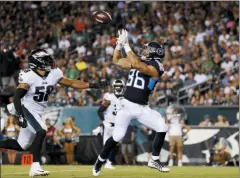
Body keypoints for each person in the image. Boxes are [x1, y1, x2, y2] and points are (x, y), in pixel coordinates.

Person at [2, 49, 108, 177]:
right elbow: (17, 96)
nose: (49, 62)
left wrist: (94, 85)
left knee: (21, 145)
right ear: (37, 63)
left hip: (38, 112)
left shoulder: (54, 73)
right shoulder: (29, 76)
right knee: (41, 131)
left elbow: (72, 83)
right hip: (26, 108)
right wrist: (20, 115)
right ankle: (35, 167)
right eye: (45, 60)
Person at [93, 30, 169, 177]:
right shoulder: (140, 61)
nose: (144, 51)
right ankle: (99, 161)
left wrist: (126, 45)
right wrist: (118, 45)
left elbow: (137, 64)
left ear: (154, 53)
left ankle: (154, 160)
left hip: (142, 108)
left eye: (147, 49)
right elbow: (116, 60)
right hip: (126, 106)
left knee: (162, 127)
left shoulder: (157, 66)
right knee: (117, 136)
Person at [97, 79, 125, 169]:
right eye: (117, 87)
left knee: (116, 144)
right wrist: (103, 122)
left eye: (120, 87)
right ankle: (102, 162)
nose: (118, 88)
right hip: (109, 124)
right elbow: (100, 111)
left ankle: (109, 162)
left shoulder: (125, 99)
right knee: (107, 145)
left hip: (119, 125)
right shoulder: (109, 97)